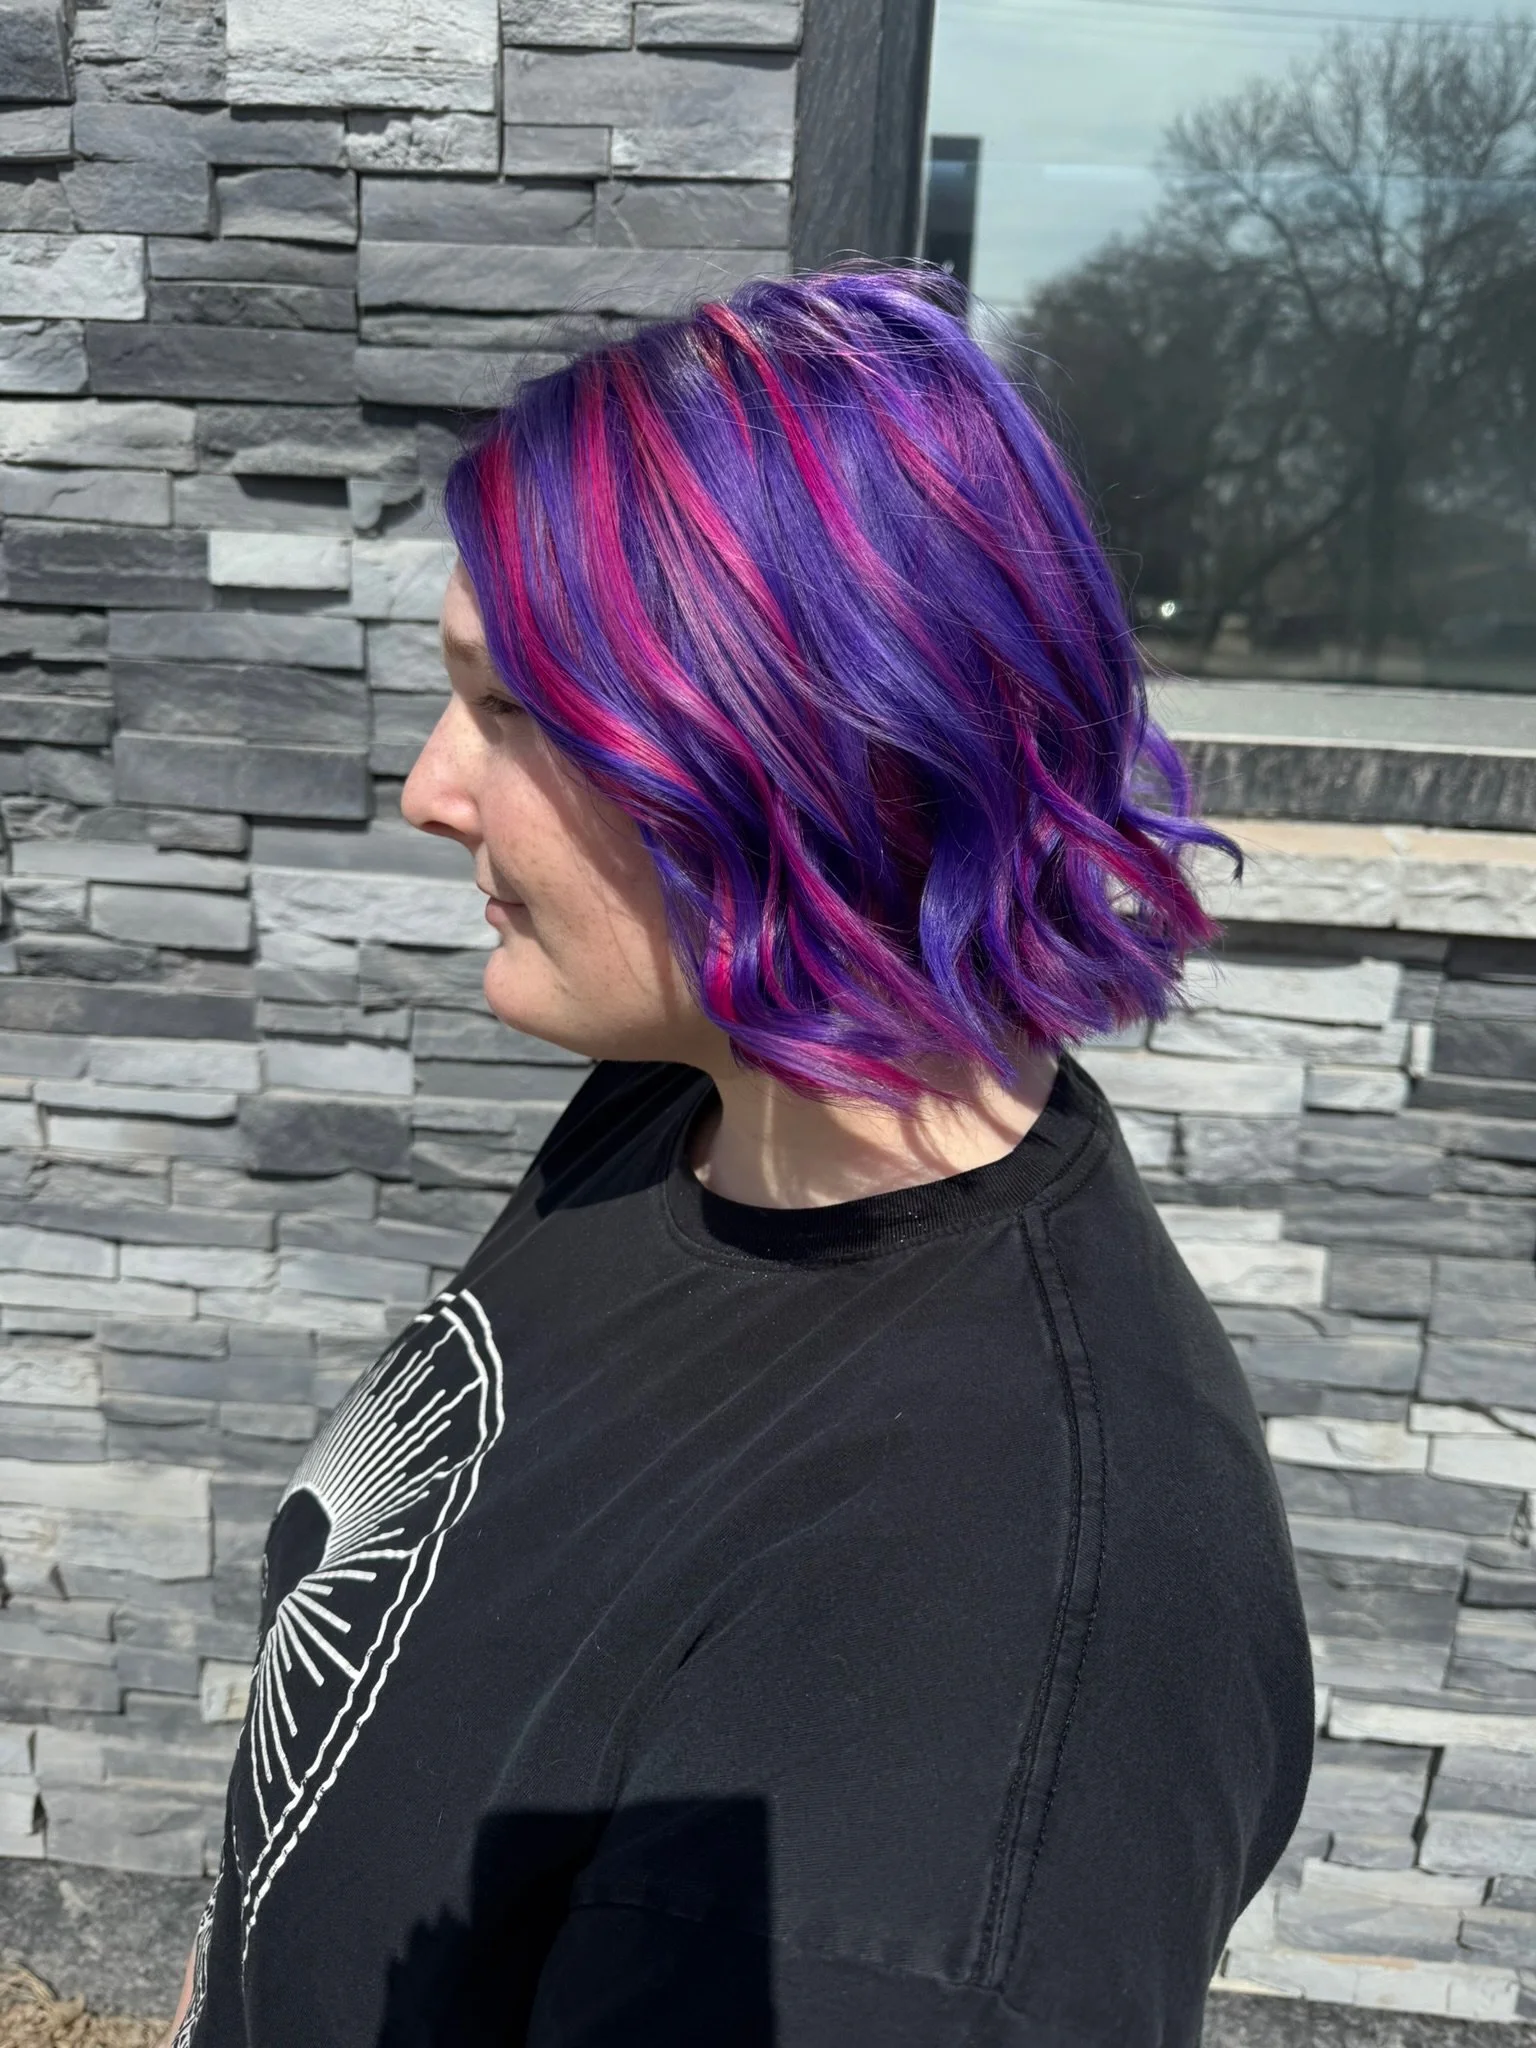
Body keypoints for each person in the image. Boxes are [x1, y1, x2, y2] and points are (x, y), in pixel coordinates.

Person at [163, 268, 1313, 2048]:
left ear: (796, 754)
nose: (430, 790)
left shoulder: (996, 1647)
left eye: (508, 709)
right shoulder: (692, 1106)